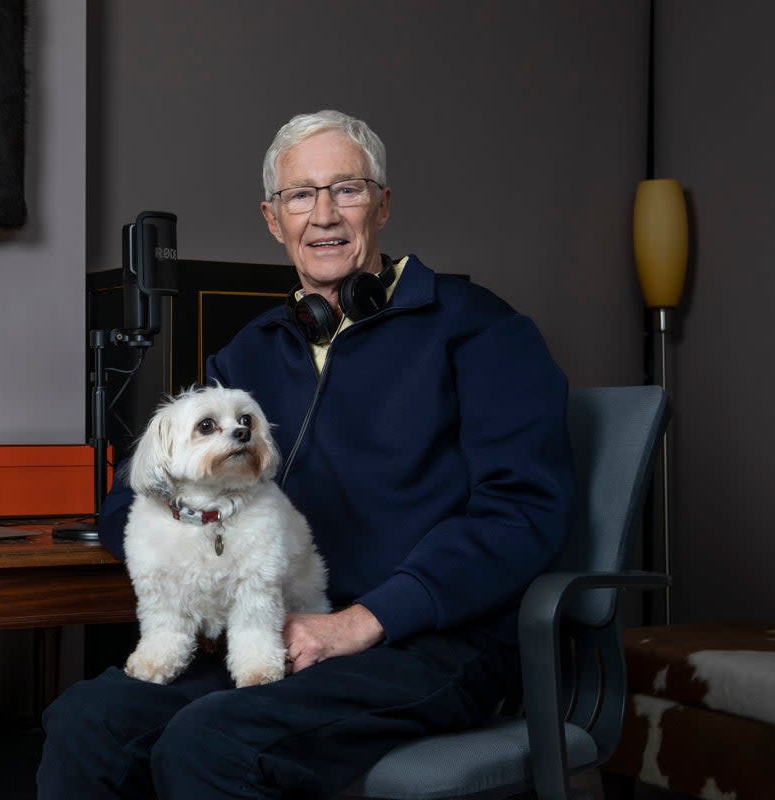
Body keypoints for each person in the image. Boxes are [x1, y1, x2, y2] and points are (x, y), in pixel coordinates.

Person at [37, 109, 574, 799]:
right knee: (89, 721)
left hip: (431, 640)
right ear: (273, 218)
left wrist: (361, 622)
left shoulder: (480, 329)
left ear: (382, 203)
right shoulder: (248, 353)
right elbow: (132, 498)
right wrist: (194, 563)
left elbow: (524, 514)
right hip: (277, 624)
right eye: (301, 195)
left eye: (347, 189)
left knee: (211, 744)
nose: (324, 214)